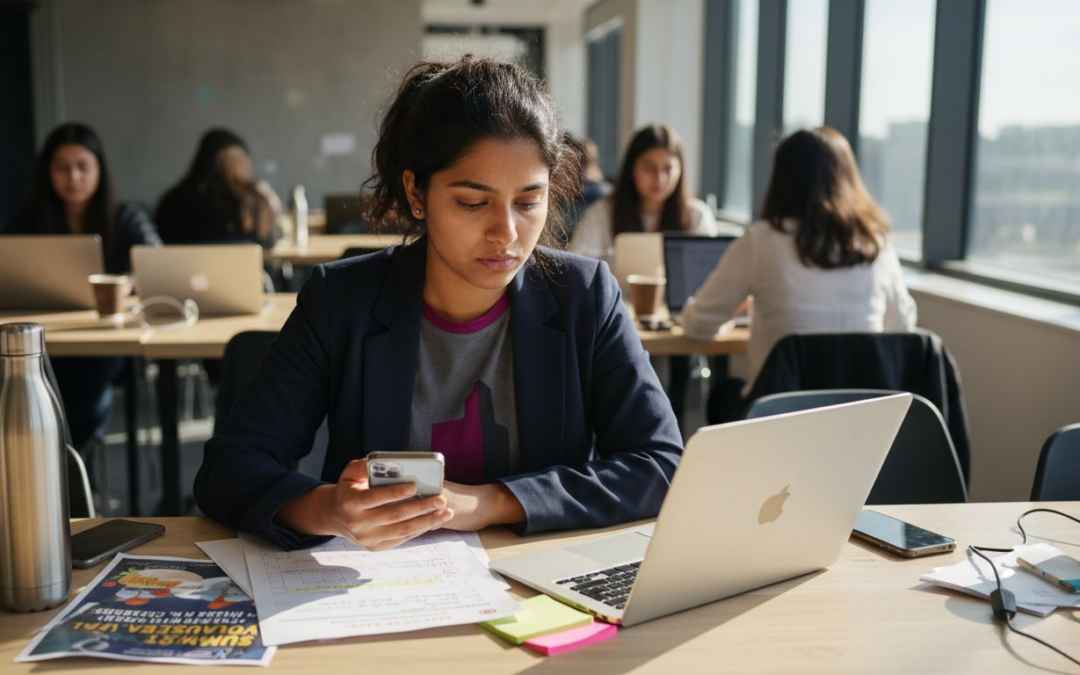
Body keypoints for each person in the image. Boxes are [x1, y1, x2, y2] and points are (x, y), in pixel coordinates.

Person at [194, 56, 683, 551]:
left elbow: (660, 465)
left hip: (538, 591)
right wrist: (328, 509)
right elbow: (231, 466)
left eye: (528, 201)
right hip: (376, 589)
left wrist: (489, 503)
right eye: (473, 202)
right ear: (416, 192)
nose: (507, 234)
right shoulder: (341, 301)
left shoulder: (585, 296)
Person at [680, 126, 917, 397]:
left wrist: (728, 314)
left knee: (723, 395)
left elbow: (698, 325)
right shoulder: (876, 244)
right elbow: (901, 327)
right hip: (860, 416)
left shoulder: (761, 240)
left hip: (781, 417)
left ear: (783, 179)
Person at [13, 122, 162, 452]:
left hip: (104, 345)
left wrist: (129, 282)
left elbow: (155, 263)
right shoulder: (28, 219)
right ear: (47, 173)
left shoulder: (125, 216)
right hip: (46, 338)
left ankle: (75, 467)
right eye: (62, 168)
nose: (74, 178)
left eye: (83, 167)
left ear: (99, 170)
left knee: (84, 385)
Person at [569, 124, 717, 265]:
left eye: (668, 169)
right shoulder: (603, 213)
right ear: (631, 169)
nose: (660, 179)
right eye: (649, 168)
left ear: (681, 171)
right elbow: (577, 266)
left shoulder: (697, 216)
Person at [155, 128, 280, 248]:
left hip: (183, 270)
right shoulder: (253, 200)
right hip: (244, 269)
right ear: (244, 162)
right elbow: (271, 242)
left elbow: (160, 242)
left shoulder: (172, 201)